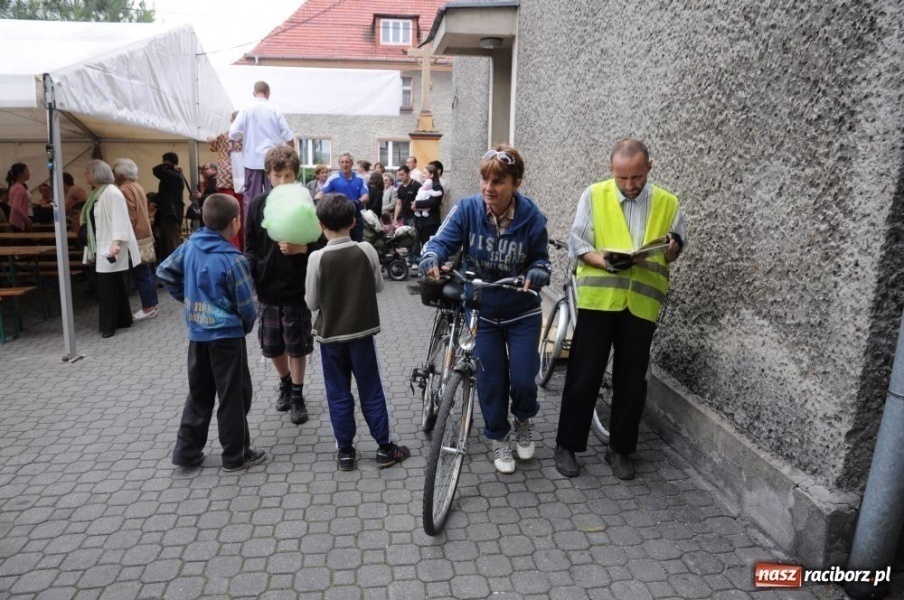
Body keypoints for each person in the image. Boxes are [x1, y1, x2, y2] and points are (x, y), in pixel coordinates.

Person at [554, 139, 686, 480]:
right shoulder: (594, 195)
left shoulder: (669, 202)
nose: (629, 185)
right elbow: (578, 244)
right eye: (622, 178)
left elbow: (673, 249)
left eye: (636, 177)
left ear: (649, 168)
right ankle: (567, 445)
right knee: (585, 374)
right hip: (600, 301)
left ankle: (621, 449)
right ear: (611, 169)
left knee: (632, 380)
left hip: (641, 304)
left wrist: (672, 249)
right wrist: (607, 262)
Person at [419, 145, 552, 474]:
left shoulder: (532, 217)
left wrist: (537, 273)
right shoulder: (467, 210)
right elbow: (440, 242)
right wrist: (432, 256)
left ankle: (522, 420)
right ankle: (498, 437)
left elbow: (542, 260)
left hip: (522, 311)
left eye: (498, 181)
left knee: (523, 379)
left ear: (516, 184)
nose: (488, 188)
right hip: (482, 310)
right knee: (491, 380)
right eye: (485, 179)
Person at [157, 193, 265, 473]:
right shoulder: (234, 259)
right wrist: (245, 325)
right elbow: (246, 306)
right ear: (234, 223)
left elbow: (165, 271)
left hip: (197, 334)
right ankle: (235, 455)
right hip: (227, 338)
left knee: (199, 393)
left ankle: (186, 451)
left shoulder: (190, 245)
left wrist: (187, 298)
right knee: (233, 396)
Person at [305, 193, 411, 471]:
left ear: (320, 224)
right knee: (371, 389)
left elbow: (312, 303)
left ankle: (346, 452)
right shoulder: (367, 250)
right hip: (362, 333)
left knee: (337, 392)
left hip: (330, 337)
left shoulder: (317, 258)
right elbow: (378, 286)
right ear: (353, 221)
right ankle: (384, 448)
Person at [245, 145, 318, 426]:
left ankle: (297, 394)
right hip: (267, 287)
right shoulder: (257, 204)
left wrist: (303, 248)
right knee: (272, 346)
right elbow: (251, 246)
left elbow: (322, 242)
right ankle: (285, 381)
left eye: (289, 176)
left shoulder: (306, 203)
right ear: (268, 175)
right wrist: (249, 272)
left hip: (296, 286)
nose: (284, 181)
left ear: (295, 175)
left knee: (297, 345)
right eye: (278, 175)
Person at [81, 159, 140, 339]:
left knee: (106, 286)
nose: (85, 176)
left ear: (96, 174)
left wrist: (116, 242)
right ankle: (123, 319)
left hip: (110, 245)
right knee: (114, 283)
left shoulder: (111, 192)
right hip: (104, 244)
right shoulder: (99, 193)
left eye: (87, 172)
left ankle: (109, 325)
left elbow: (120, 218)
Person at [229, 81, 295, 206]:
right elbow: (287, 135)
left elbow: (233, 133)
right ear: (268, 93)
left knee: (251, 198)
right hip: (274, 160)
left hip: (252, 160)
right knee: (276, 196)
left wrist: (240, 138)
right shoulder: (275, 110)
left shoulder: (246, 110)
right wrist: (292, 153)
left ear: (254, 93)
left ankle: (251, 219)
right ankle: (275, 219)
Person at [112, 158, 159, 321]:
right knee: (146, 272)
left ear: (121, 174)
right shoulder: (137, 186)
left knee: (141, 273)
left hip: (136, 236)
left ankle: (149, 307)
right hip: (144, 233)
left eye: (114, 171)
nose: (113, 175)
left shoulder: (124, 189)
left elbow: (129, 216)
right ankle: (151, 305)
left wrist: (121, 236)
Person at [316, 152, 369, 242]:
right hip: (339, 217)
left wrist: (356, 202)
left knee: (356, 243)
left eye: (347, 162)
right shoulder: (333, 178)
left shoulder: (360, 178)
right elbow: (320, 194)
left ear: (352, 163)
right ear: (339, 164)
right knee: (340, 244)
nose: (344, 164)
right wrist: (317, 204)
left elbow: (366, 197)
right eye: (342, 162)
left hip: (355, 216)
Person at [151, 152, 185, 262]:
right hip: (167, 214)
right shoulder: (170, 177)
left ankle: (177, 269)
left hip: (171, 214)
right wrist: (154, 201)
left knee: (172, 246)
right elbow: (164, 193)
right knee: (165, 247)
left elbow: (156, 170)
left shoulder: (174, 176)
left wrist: (169, 166)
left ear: (167, 161)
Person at [6, 163, 31, 232]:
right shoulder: (19, 188)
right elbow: (16, 207)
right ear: (20, 174)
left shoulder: (14, 186)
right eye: (26, 171)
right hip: (18, 222)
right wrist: (27, 219)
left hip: (14, 220)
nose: (29, 173)